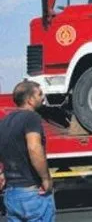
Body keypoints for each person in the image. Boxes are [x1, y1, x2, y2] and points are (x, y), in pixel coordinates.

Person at [0, 80, 56, 221]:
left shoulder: (5, 121)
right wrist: (45, 179)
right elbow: (34, 148)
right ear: (30, 100)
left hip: (11, 193)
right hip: (32, 192)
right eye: (39, 94)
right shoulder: (31, 118)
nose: (42, 97)